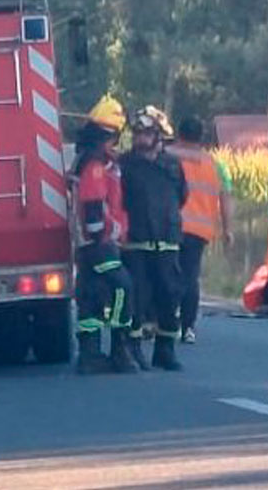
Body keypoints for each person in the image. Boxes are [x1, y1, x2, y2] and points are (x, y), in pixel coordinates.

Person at [69, 95, 139, 375]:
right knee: (123, 286)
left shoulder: (87, 159)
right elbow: (93, 201)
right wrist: (101, 234)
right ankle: (120, 347)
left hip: (87, 243)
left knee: (92, 295)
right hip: (98, 242)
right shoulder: (96, 163)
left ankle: (90, 354)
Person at [120, 105, 188, 371]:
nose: (140, 139)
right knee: (136, 297)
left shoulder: (172, 165)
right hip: (135, 241)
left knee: (169, 295)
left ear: (158, 136)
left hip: (167, 240)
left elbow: (182, 196)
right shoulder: (125, 165)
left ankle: (165, 349)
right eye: (137, 133)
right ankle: (133, 348)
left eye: (146, 133)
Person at [168, 117, 234, 344]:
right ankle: (188, 328)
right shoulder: (214, 164)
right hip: (200, 230)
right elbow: (225, 198)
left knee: (167, 274)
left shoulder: (167, 156)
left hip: (169, 226)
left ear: (179, 133)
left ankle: (164, 323)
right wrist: (228, 230)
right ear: (201, 137)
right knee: (190, 277)